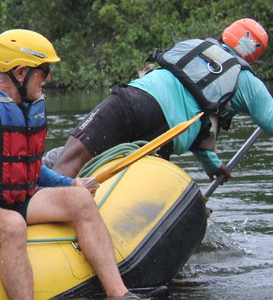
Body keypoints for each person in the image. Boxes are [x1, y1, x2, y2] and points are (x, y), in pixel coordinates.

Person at [0, 30, 129, 300]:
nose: (49, 79)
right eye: (44, 71)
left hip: (19, 199)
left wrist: (68, 184)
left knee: (81, 199)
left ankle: (120, 297)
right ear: (21, 73)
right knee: (12, 225)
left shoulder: (27, 106)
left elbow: (27, 166)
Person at [53, 18, 273, 180]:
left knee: (69, 159)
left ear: (225, 34)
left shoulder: (196, 46)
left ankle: (41, 210)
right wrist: (213, 165)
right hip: (167, 133)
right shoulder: (246, 81)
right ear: (253, 57)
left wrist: (212, 164)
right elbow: (201, 123)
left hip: (134, 100)